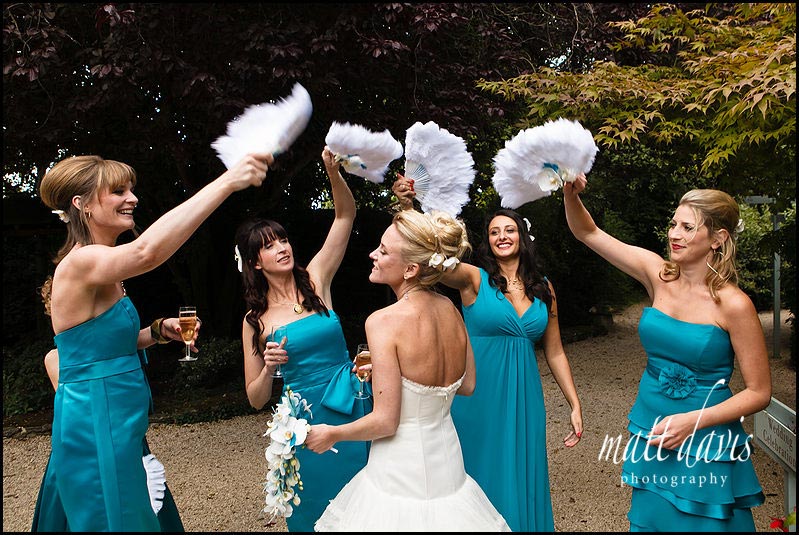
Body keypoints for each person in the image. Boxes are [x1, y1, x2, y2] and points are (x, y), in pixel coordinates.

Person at [34, 151, 272, 531]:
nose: (132, 198)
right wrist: (228, 181)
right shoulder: (81, 263)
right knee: (117, 519)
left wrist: (157, 332)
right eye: (117, 191)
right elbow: (148, 252)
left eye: (131, 189)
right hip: (98, 421)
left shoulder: (102, 263)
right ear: (82, 206)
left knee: (136, 513)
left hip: (119, 418)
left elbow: (99, 347)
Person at [562, 177, 770, 531]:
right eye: (674, 223)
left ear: (718, 239)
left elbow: (759, 392)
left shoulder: (734, 304)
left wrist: (692, 421)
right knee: (654, 520)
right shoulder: (658, 274)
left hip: (705, 437)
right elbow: (588, 232)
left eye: (688, 227)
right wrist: (570, 194)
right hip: (652, 428)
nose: (675, 233)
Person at [392, 178, 583, 532]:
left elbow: (554, 352)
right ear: (488, 241)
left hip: (524, 397)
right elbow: (434, 262)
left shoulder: (544, 288)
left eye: (509, 229)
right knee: (475, 467)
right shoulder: (473, 279)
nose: (502, 236)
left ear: (523, 238)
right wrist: (408, 210)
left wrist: (573, 403)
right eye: (495, 232)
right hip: (478, 393)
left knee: (520, 468)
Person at [305, 208, 510, 532]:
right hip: (448, 466)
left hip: (399, 473)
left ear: (411, 269)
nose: (373, 254)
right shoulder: (451, 310)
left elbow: (386, 422)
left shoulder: (383, 321)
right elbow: (468, 384)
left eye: (384, 251)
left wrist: (332, 433)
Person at [236, 146, 370, 532]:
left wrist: (333, 172)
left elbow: (345, 215)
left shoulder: (316, 278)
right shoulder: (254, 322)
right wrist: (271, 370)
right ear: (255, 263)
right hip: (304, 422)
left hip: (354, 399)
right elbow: (256, 398)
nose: (281, 248)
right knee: (318, 506)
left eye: (282, 240)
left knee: (369, 498)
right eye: (268, 246)